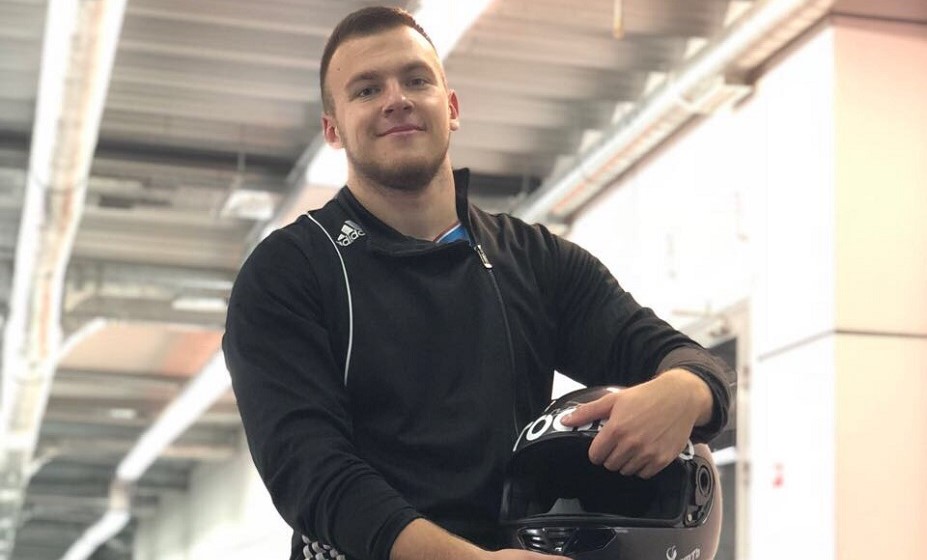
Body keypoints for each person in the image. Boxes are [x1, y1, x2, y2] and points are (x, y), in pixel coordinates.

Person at [222, 6, 733, 560]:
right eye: (367, 90)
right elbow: (313, 474)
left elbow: (689, 360)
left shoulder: (535, 261)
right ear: (333, 129)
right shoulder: (288, 272)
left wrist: (683, 391)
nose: (397, 99)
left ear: (451, 107)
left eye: (416, 80)